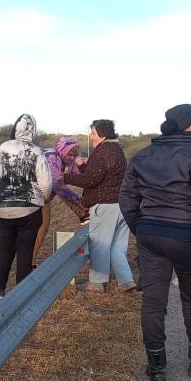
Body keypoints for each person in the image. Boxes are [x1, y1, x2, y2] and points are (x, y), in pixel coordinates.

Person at [119, 104, 191, 381]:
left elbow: (127, 201)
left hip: (151, 236)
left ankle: (156, 369)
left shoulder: (143, 156)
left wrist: (140, 229)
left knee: (153, 304)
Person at [64, 119, 136, 293]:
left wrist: (66, 178)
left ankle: (97, 283)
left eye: (93, 133)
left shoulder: (103, 151)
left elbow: (90, 180)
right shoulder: (117, 150)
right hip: (121, 205)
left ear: (102, 135)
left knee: (100, 244)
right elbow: (100, 175)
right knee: (118, 245)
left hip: (105, 205)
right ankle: (126, 281)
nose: (91, 136)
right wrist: (83, 167)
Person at [0, 113, 52, 302]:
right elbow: (46, 183)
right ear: (33, 130)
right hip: (29, 208)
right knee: (25, 250)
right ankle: (21, 293)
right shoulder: (36, 150)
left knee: (5, 248)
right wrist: (45, 198)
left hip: (3, 208)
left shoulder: (2, 149)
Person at [31, 136, 90, 268]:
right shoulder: (50, 156)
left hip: (44, 195)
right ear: (63, 150)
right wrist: (78, 200)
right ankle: (82, 212)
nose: (72, 158)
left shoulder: (66, 159)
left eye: (75, 155)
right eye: (70, 154)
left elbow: (83, 178)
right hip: (34, 195)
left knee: (43, 227)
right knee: (42, 225)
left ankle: (30, 260)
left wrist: (83, 166)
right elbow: (57, 183)